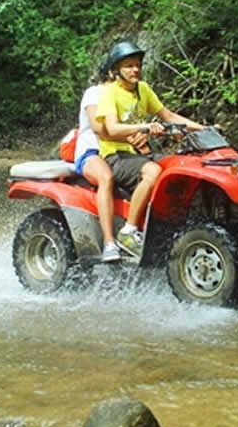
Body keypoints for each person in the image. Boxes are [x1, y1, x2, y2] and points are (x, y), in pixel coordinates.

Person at [96, 41, 207, 258]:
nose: (135, 69)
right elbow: (111, 128)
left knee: (181, 165)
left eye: (137, 64)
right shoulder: (110, 93)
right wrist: (145, 127)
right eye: (128, 65)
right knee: (152, 171)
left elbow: (170, 117)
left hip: (138, 154)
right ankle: (128, 231)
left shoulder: (143, 89)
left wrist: (206, 129)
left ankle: (175, 224)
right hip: (114, 156)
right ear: (116, 69)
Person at [74, 59, 151, 262]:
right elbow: (100, 129)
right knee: (106, 178)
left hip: (120, 149)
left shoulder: (128, 95)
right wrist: (136, 132)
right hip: (92, 150)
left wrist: (140, 138)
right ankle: (109, 243)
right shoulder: (95, 93)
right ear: (111, 72)